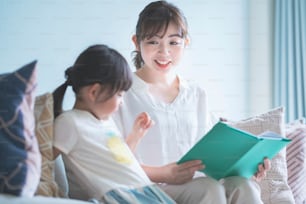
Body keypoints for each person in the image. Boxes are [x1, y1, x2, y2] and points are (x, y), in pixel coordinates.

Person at [112, 1, 271, 204]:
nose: (164, 52)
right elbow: (114, 163)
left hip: (200, 184)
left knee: (244, 185)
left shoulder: (196, 94)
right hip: (148, 190)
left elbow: (213, 157)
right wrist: (164, 174)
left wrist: (245, 167)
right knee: (208, 189)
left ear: (185, 43)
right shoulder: (121, 94)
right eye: (153, 42)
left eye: (173, 42)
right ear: (136, 42)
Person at [52, 44, 176, 204]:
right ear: (94, 92)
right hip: (122, 196)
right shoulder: (70, 122)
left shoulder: (106, 121)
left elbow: (120, 160)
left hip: (145, 191)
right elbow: (42, 160)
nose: (121, 102)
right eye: (119, 95)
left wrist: (135, 136)